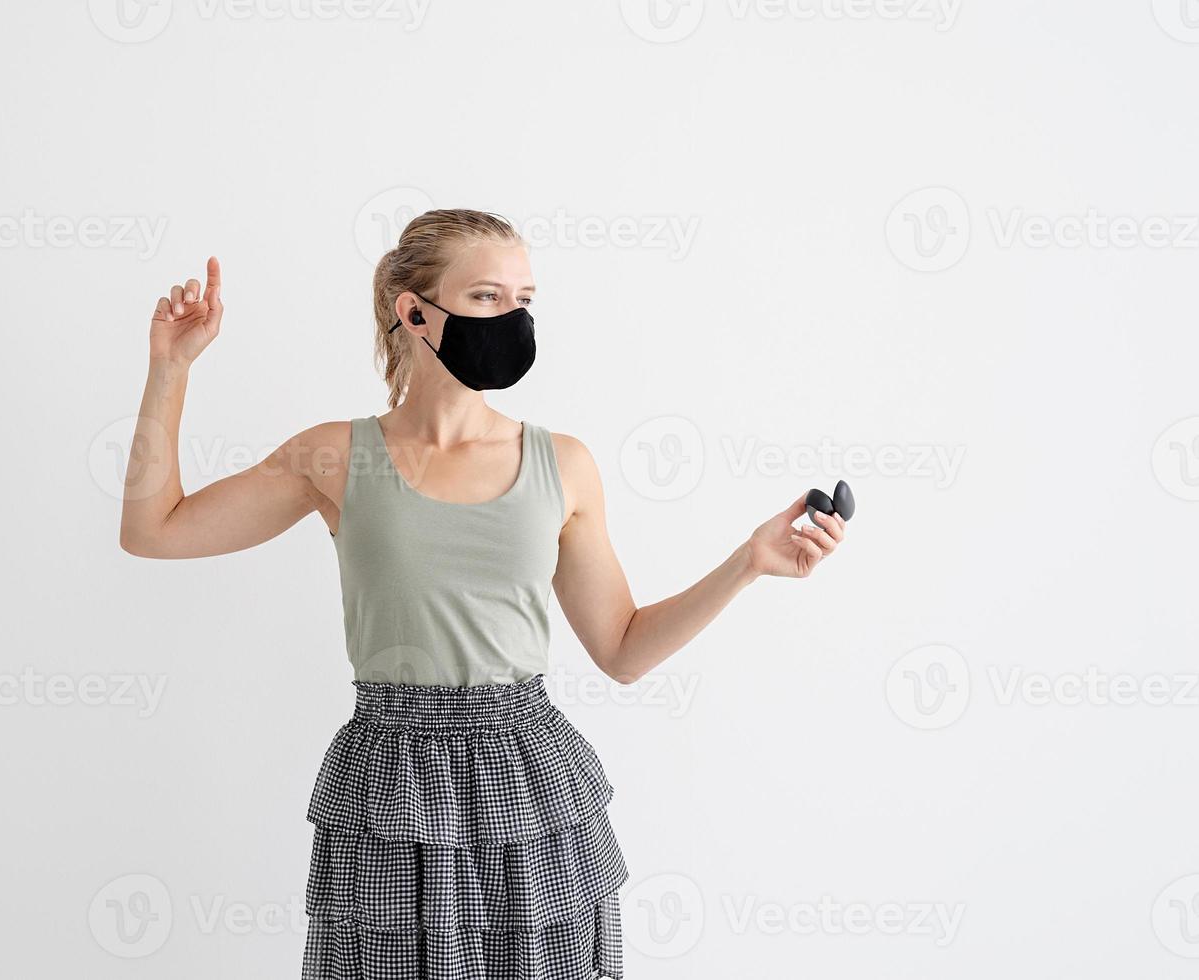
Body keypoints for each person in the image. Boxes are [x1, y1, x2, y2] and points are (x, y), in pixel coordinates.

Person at [118, 209, 848, 979]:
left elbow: (623, 651)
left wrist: (748, 562)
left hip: (530, 781)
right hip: (388, 784)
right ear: (415, 311)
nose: (513, 318)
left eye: (523, 299)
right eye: (487, 298)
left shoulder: (562, 464)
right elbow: (155, 530)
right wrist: (171, 369)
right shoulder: (335, 456)